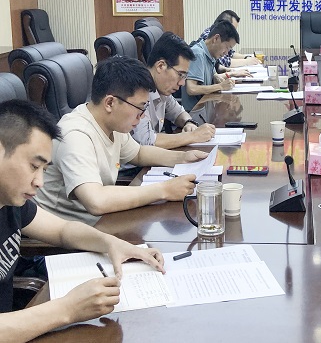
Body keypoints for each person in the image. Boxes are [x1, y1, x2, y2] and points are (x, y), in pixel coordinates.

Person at [0, 100, 165, 341]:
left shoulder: (11, 202)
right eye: (34, 166)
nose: (40, 182)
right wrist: (67, 309)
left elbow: (62, 230)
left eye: (43, 169)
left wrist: (112, 244)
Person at [34, 57, 206, 225]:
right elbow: (96, 201)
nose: (142, 116)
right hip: (69, 232)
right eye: (140, 108)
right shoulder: (75, 135)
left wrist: (183, 158)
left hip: (104, 221)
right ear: (110, 103)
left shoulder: (111, 123)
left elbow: (138, 153)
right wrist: (164, 190)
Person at [132, 32, 216, 149]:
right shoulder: (137, 92)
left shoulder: (162, 90)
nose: (182, 83)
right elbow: (146, 141)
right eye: (180, 74)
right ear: (160, 66)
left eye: (184, 76)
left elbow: (178, 112)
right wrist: (192, 136)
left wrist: (188, 122)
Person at [182, 20, 240, 110]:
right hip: (194, 112)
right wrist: (220, 86)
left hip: (206, 108)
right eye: (227, 47)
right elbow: (191, 89)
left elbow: (214, 76)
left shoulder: (211, 55)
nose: (226, 53)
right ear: (216, 38)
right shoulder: (198, 54)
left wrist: (217, 78)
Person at [196, 10, 260, 70]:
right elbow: (223, 61)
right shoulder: (209, 37)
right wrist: (247, 61)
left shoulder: (220, 37)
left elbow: (230, 53)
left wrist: (246, 57)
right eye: (232, 28)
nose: (233, 32)